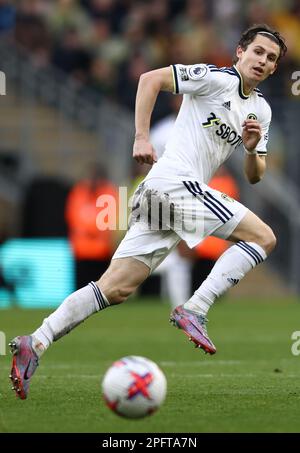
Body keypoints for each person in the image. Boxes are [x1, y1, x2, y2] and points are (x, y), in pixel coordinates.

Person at [10, 24, 287, 399]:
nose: (263, 61)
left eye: (271, 58)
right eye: (257, 52)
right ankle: (196, 308)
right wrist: (140, 136)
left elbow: (255, 177)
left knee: (115, 288)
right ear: (240, 52)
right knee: (264, 237)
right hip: (174, 183)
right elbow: (149, 78)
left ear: (273, 68)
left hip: (165, 196)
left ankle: (36, 340)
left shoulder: (261, 110)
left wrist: (252, 148)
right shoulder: (214, 78)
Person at [65, 163, 118, 289]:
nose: (91, 181)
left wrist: (87, 229)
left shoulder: (109, 193)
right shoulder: (78, 192)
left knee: (101, 292)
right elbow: (72, 219)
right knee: (80, 290)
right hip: (80, 252)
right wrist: (92, 229)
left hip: (101, 253)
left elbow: (108, 223)